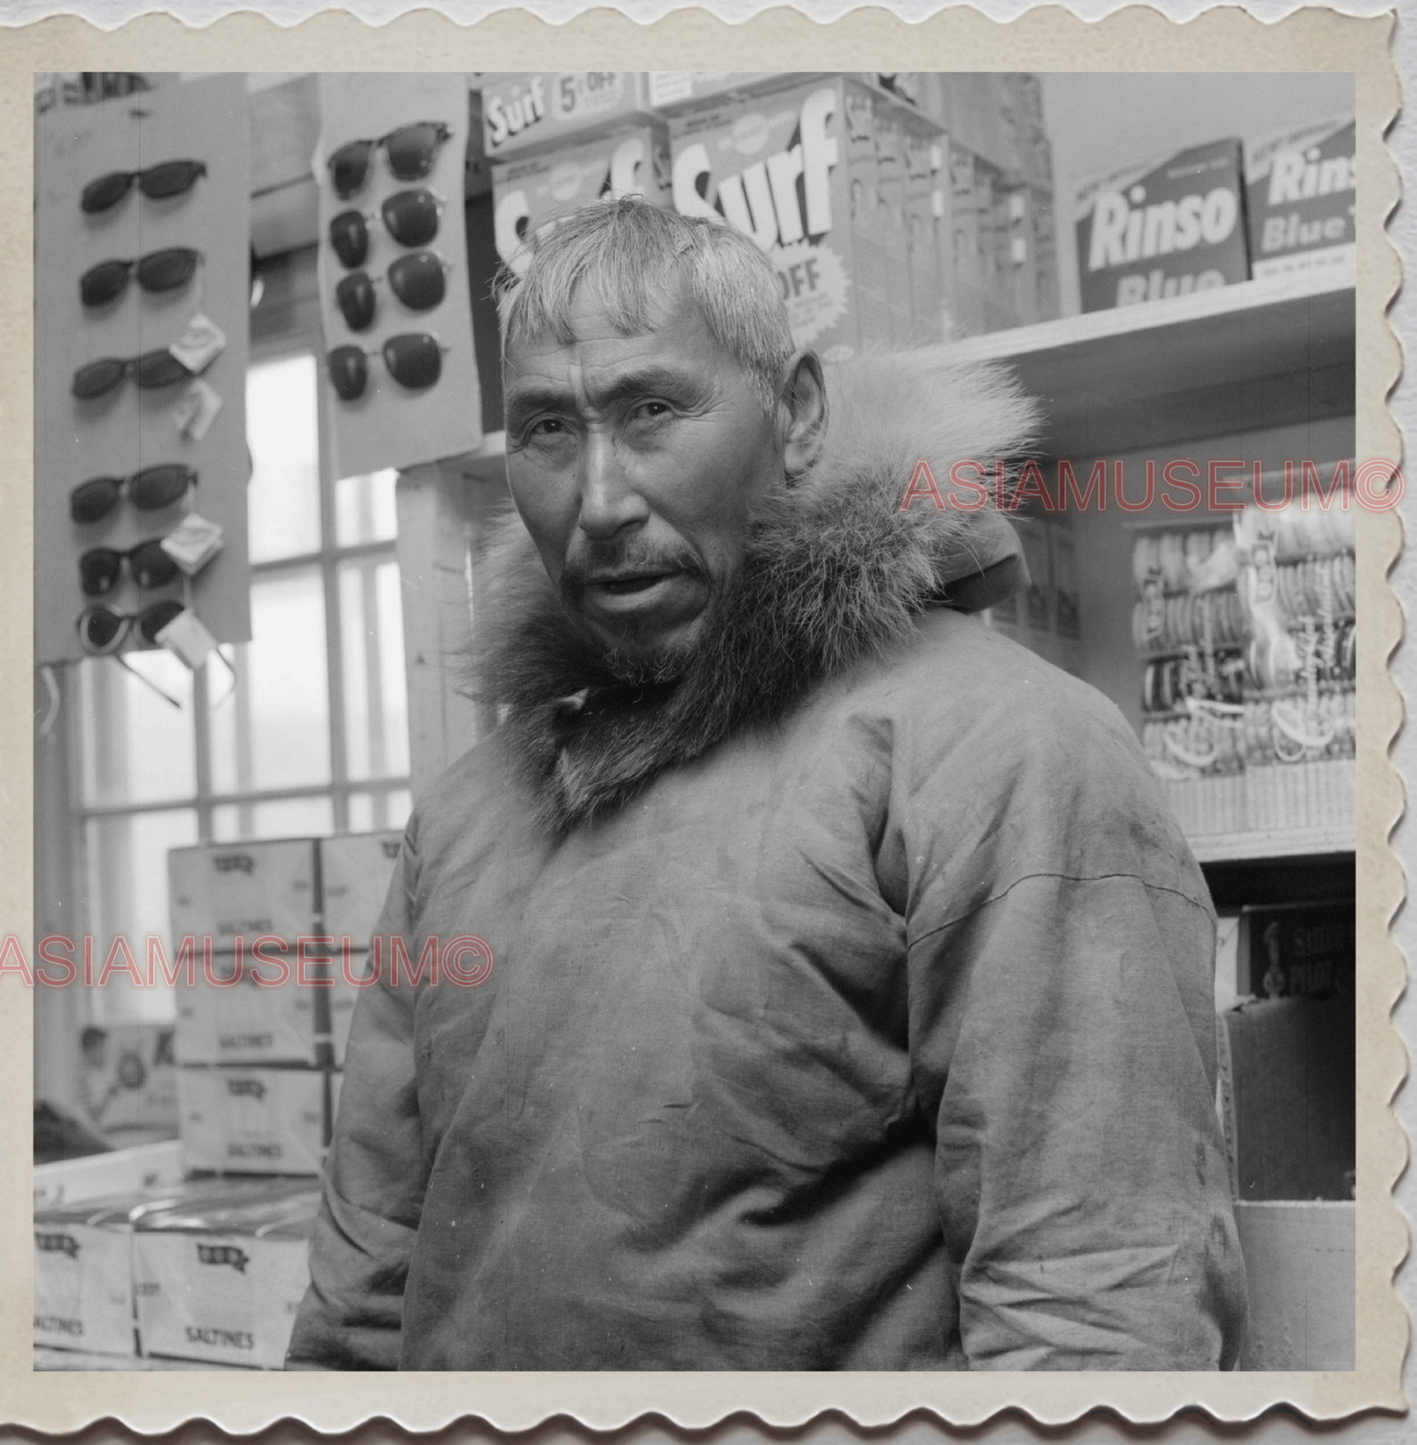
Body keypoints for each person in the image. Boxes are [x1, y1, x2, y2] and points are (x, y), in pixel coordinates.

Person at [287, 198, 1246, 1371]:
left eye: (651, 411)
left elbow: (1098, 1304)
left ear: (792, 412)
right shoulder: (464, 814)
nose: (598, 499)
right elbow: (362, 1290)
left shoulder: (1006, 745)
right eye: (545, 428)